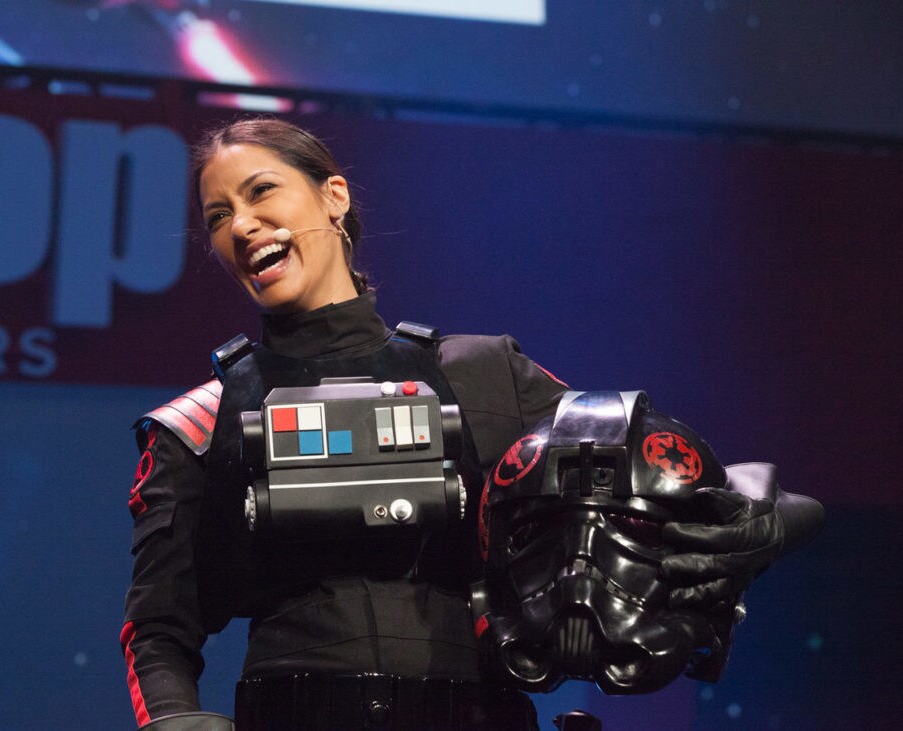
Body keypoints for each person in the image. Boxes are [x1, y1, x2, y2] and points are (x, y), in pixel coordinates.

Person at [121, 118, 817, 730]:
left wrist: (762, 521)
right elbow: (157, 626)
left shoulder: (486, 373)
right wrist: (175, 719)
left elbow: (691, 480)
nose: (240, 225)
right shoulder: (198, 423)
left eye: (260, 191)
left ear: (333, 197)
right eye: (217, 215)